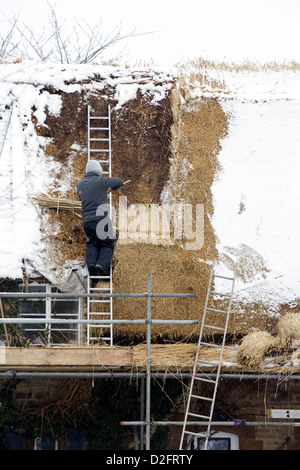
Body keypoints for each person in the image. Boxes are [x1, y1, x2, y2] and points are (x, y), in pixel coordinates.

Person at [77, 160, 123, 277]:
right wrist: (111, 189)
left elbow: (83, 197)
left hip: (87, 221)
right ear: (98, 171)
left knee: (92, 244)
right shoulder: (100, 181)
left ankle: (91, 265)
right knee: (106, 244)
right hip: (101, 219)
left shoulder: (80, 185)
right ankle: (102, 266)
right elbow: (119, 181)